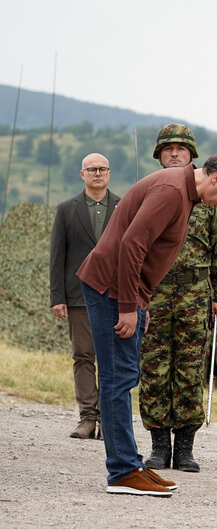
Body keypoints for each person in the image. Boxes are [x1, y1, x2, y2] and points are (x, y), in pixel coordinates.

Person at [77, 152, 217, 497]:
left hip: (124, 291)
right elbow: (132, 245)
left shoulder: (184, 192)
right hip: (111, 288)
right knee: (117, 379)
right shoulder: (172, 191)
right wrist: (129, 306)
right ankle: (123, 472)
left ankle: (131, 464)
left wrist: (139, 303)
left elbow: (148, 252)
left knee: (123, 376)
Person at [140, 124, 217, 473]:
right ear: (159, 155)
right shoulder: (150, 191)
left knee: (190, 370)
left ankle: (185, 449)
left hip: (196, 292)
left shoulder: (209, 199)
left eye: (181, 148)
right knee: (154, 368)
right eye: (168, 149)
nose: (174, 153)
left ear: (192, 155)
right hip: (155, 290)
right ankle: (159, 446)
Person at [49, 153, 121, 439]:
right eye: (92, 169)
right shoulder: (66, 209)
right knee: (83, 356)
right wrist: (58, 297)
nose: (97, 173)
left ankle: (108, 419)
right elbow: (57, 256)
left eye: (102, 168)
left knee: (112, 359)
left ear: (109, 173)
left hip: (116, 294)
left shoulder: (124, 206)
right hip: (78, 295)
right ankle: (87, 418)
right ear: (82, 174)